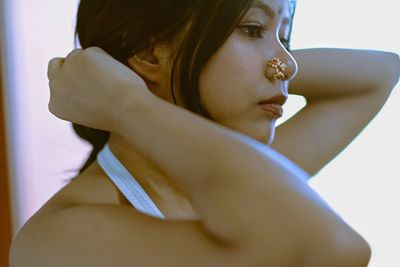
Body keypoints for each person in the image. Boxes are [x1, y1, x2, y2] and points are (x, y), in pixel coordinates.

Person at [9, 0, 399, 266]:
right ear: (148, 54)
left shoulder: (244, 178)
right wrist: (124, 101)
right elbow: (329, 247)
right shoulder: (58, 240)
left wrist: (171, 75)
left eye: (285, 36)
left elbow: (380, 73)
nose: (288, 65)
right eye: (251, 28)